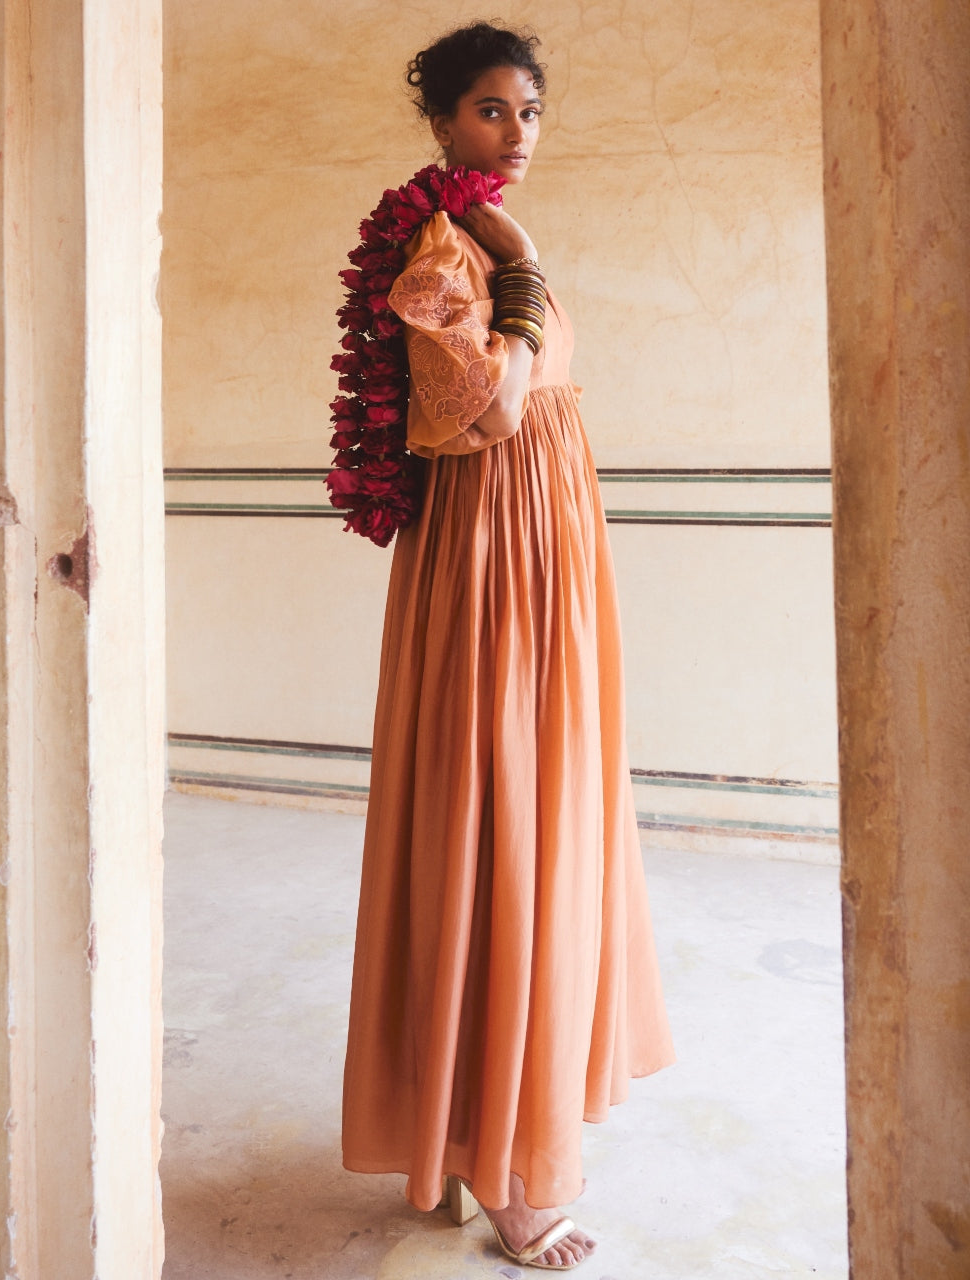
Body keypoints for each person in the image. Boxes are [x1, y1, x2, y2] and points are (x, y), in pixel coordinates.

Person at [341, 21, 674, 1271]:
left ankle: (490, 1126)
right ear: (439, 123)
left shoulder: (467, 234)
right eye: (490, 112)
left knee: (543, 806)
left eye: (529, 113)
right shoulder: (444, 247)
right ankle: (511, 1168)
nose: (515, 134)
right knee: (504, 809)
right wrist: (525, 264)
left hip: (541, 548)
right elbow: (493, 405)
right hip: (490, 555)